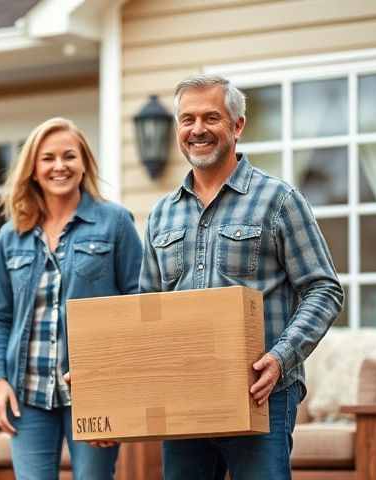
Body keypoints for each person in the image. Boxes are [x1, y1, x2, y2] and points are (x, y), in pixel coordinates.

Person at [139, 74, 344, 479]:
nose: (197, 129)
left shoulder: (279, 200)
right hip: (183, 399)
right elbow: (147, 308)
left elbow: (323, 289)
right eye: (187, 119)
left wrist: (281, 358)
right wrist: (107, 375)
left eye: (211, 117)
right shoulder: (162, 213)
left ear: (237, 126)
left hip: (260, 395)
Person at [0, 117, 143, 479]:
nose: (59, 166)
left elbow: (138, 304)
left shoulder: (115, 222)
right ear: (33, 170)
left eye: (69, 156)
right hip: (27, 392)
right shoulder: (13, 236)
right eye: (48, 158)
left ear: (84, 162)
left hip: (93, 389)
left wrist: (116, 385)